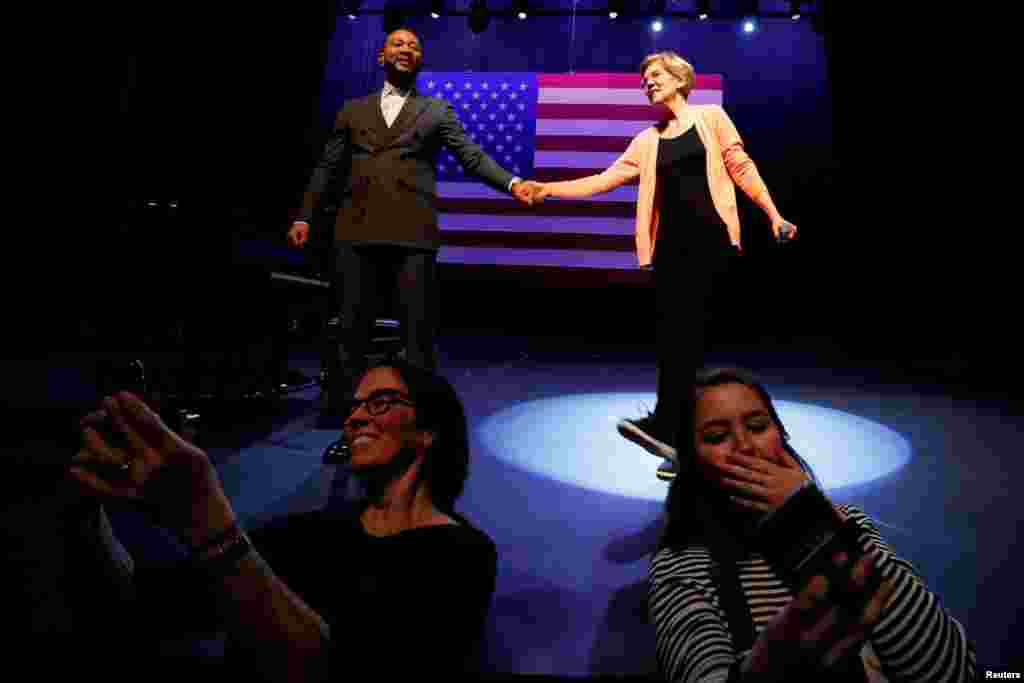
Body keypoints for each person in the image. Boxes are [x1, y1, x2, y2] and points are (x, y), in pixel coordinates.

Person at [68, 358, 498, 680]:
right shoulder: (312, 531)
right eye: (354, 406)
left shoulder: (464, 556)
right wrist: (84, 509)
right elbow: (146, 600)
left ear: (430, 430)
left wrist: (206, 518)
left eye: (381, 401)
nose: (355, 416)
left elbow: (334, 670)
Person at [524, 51, 795, 474]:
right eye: (644, 78)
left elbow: (741, 167)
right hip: (669, 249)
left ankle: (678, 430)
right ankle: (676, 435)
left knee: (690, 340)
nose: (647, 82)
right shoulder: (646, 140)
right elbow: (603, 180)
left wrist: (773, 214)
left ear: (679, 78)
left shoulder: (712, 117)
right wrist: (548, 189)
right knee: (673, 341)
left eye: (655, 75)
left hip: (710, 241)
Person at [647, 366, 977, 682]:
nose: (746, 446)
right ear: (691, 462)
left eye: (759, 427)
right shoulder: (683, 563)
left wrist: (818, 521)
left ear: (782, 438)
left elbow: (952, 670)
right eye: (718, 436)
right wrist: (765, 667)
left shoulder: (845, 522)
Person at [286, 27, 540, 422]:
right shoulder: (352, 110)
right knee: (352, 332)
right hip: (356, 230)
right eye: (397, 44)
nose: (406, 49)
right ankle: (351, 421)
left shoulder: (436, 110)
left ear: (420, 60)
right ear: (381, 57)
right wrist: (305, 214)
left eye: (414, 46)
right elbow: (328, 166)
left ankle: (418, 419)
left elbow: (470, 156)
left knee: (416, 333)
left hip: (413, 233)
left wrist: (512, 183)